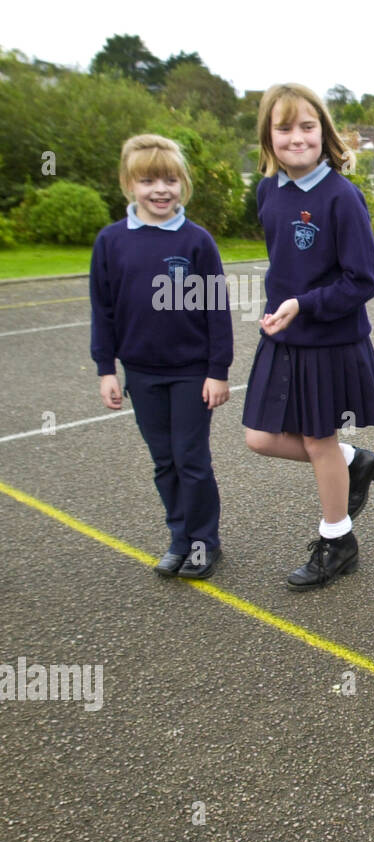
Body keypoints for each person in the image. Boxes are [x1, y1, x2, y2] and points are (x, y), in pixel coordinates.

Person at [244, 83, 374, 591]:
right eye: (284, 128)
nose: (297, 137)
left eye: (307, 126)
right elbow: (286, 265)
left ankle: (337, 540)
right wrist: (279, 309)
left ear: (323, 133)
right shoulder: (268, 191)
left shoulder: (342, 197)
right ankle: (354, 461)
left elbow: (363, 281)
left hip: (328, 341)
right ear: (268, 137)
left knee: (316, 439)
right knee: (259, 437)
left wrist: (302, 305)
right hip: (284, 336)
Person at [91, 133, 233, 580]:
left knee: (191, 460)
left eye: (170, 180)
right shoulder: (111, 241)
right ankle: (179, 538)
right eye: (148, 180)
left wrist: (218, 371)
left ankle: (204, 544)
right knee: (164, 462)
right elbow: (103, 310)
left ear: (182, 184)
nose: (160, 190)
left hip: (191, 373)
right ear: (129, 184)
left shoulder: (197, 242)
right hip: (141, 373)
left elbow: (216, 310)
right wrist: (106, 369)